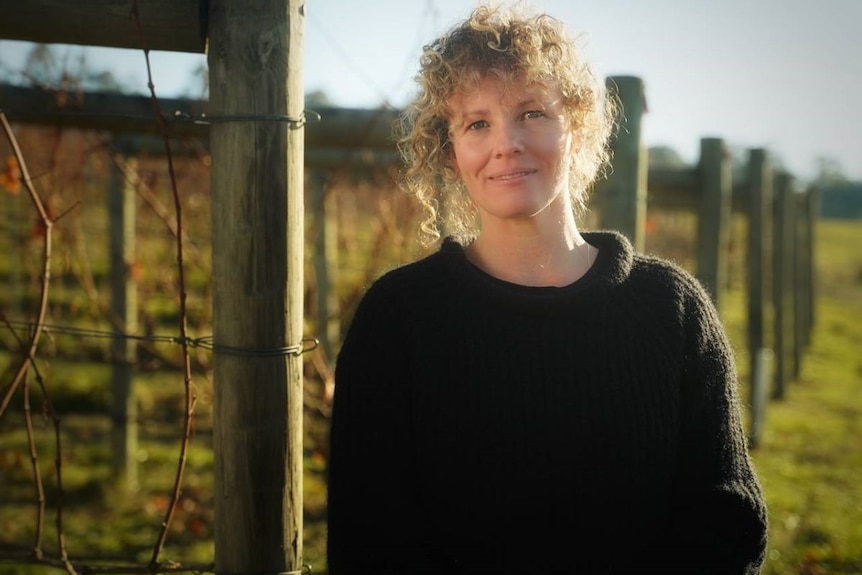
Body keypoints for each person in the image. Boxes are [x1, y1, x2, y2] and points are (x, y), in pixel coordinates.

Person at [326, 3, 768, 574]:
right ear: (450, 149)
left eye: (531, 112)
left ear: (578, 126)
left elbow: (725, 514)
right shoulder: (398, 317)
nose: (505, 143)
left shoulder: (673, 309)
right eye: (476, 123)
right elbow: (371, 536)